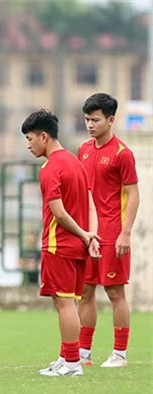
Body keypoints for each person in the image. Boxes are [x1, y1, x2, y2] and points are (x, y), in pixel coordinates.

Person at [21, 109, 100, 377]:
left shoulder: (50, 168)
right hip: (76, 245)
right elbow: (88, 203)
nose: (29, 145)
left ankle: (72, 364)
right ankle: (67, 357)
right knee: (68, 302)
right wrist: (88, 235)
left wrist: (83, 234)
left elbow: (59, 213)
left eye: (31, 139)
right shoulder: (76, 162)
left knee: (64, 303)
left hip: (59, 245)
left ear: (44, 136)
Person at [77, 93, 140, 368]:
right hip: (88, 233)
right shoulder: (84, 150)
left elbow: (134, 195)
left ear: (111, 120)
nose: (90, 124)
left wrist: (125, 232)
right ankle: (83, 352)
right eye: (87, 119)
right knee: (86, 291)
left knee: (115, 292)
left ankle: (120, 354)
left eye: (95, 119)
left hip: (113, 232)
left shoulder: (122, 154)